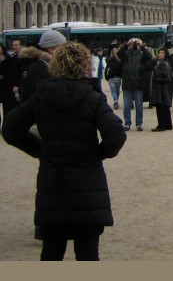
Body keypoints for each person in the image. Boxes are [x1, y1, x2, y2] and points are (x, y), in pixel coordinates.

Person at [2, 41, 127, 260]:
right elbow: (116, 132)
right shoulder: (92, 96)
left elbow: (10, 128)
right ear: (85, 66)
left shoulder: (42, 95)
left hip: (53, 182)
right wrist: (99, 153)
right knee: (87, 254)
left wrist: (39, 149)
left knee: (51, 252)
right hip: (87, 184)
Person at [18, 30, 67, 103]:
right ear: (51, 49)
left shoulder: (35, 63)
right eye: (62, 47)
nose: (65, 51)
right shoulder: (42, 67)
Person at [116, 37, 153, 131]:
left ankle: (139, 123)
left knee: (139, 106)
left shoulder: (142, 55)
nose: (135, 45)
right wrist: (127, 44)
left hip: (138, 83)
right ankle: (127, 123)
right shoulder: (126, 54)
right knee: (127, 106)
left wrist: (142, 46)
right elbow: (118, 53)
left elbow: (149, 56)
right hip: (127, 83)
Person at [149, 48, 173, 132]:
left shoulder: (163, 64)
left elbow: (165, 74)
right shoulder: (164, 63)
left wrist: (155, 70)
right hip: (164, 89)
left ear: (165, 54)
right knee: (165, 108)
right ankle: (168, 125)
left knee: (161, 108)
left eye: (162, 53)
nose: (159, 54)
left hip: (161, 89)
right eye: (159, 53)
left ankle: (161, 126)